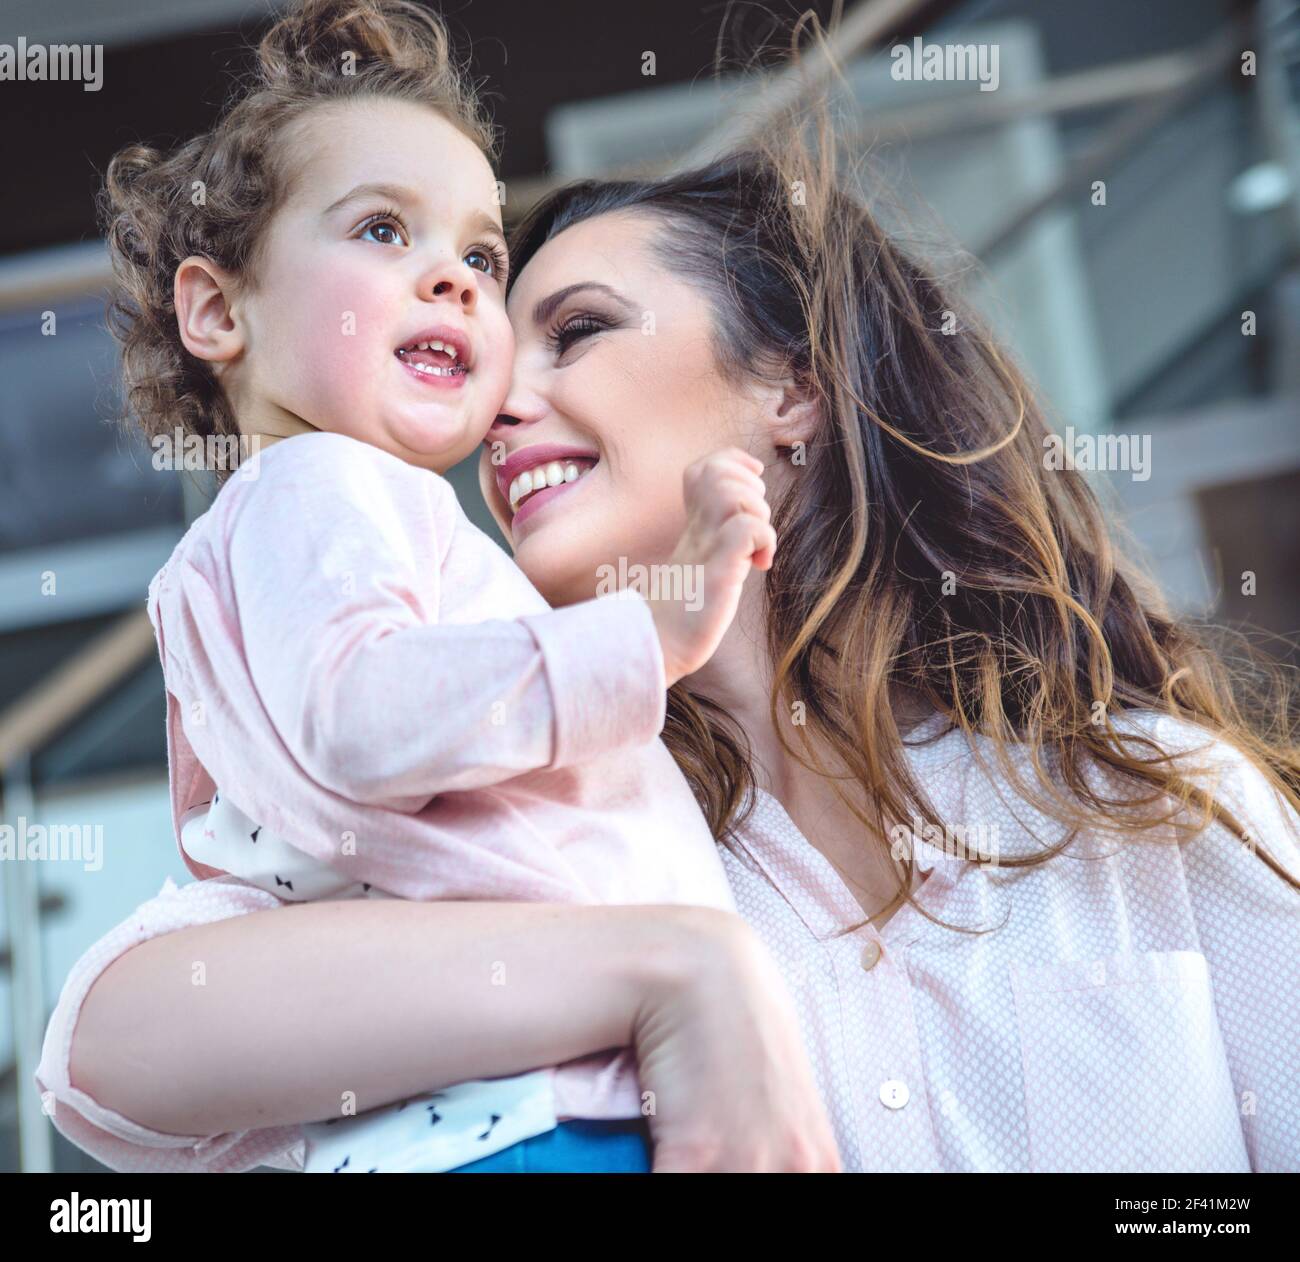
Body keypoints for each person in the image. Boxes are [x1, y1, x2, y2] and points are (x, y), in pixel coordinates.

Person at [39, 17, 1300, 1175]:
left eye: (573, 327)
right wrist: (676, 970)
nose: (501, 396)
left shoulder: (1146, 803)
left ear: (788, 392)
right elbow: (107, 1049)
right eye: (391, 241)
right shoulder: (537, 849)